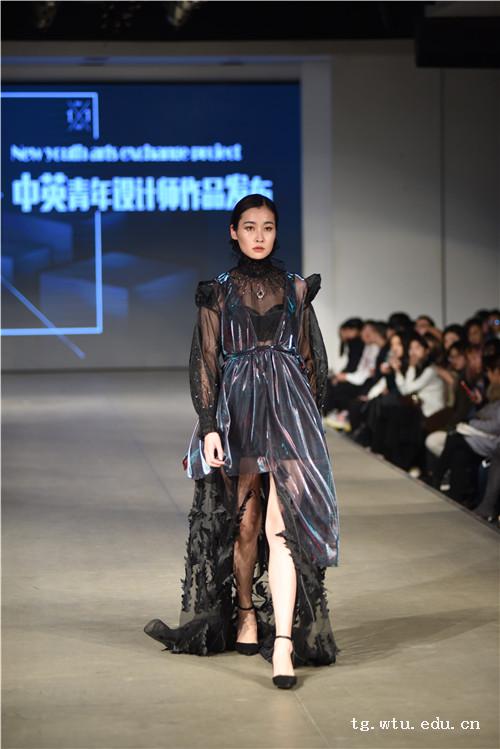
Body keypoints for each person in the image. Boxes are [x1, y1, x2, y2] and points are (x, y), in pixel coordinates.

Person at [144, 194, 341, 690]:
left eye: (268, 227)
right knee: (246, 524)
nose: (259, 236)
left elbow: (312, 359)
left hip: (290, 416)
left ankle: (284, 645)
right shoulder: (218, 291)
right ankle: (247, 611)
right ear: (234, 232)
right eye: (249, 227)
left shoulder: (297, 288)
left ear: (276, 232)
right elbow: (206, 361)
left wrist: (312, 424)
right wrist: (209, 424)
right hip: (240, 417)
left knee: (283, 529)